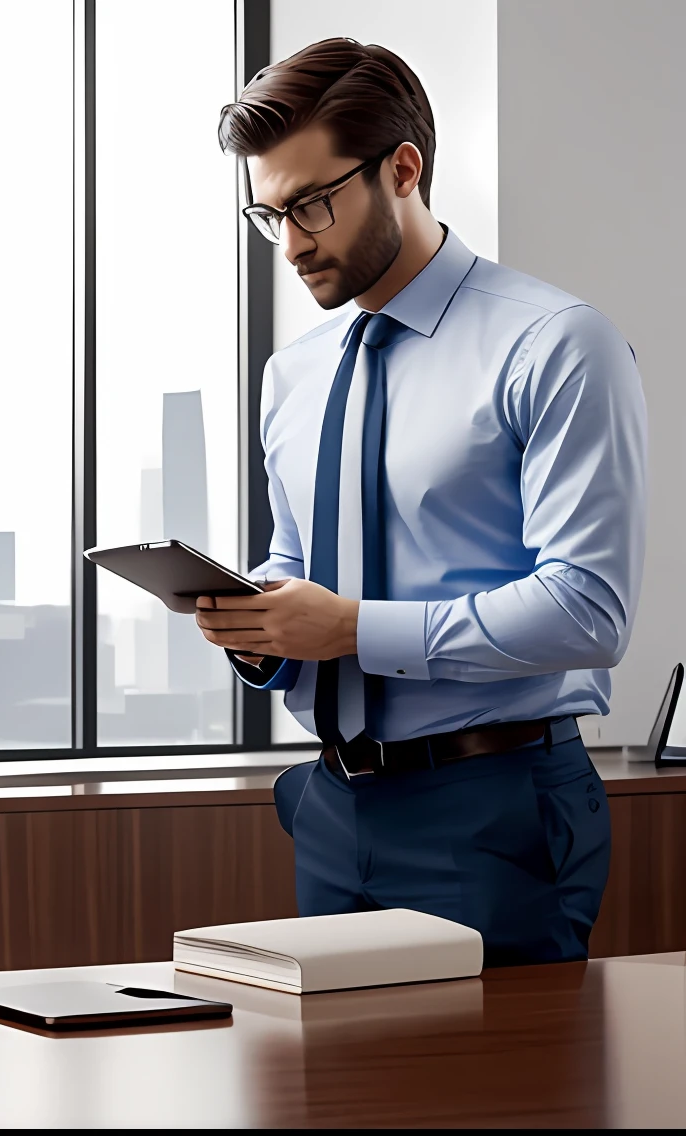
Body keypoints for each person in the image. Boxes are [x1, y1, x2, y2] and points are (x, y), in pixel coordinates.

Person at [198, 39, 645, 964]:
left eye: (312, 204)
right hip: (333, 807)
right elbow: (298, 563)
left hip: (494, 807)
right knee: (339, 1102)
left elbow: (588, 611)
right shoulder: (295, 374)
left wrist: (354, 628)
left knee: (495, 1103)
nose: (291, 243)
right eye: (269, 214)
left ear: (403, 170)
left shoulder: (555, 345)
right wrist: (259, 622)